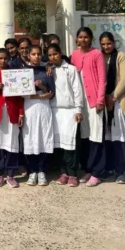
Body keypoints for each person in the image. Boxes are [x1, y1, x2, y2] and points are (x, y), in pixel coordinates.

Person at [70, 27, 107, 187]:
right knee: (84, 136)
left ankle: (97, 172)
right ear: (77, 39)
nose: (83, 40)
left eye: (86, 37)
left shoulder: (97, 54)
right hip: (80, 102)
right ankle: (87, 169)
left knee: (96, 135)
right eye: (80, 37)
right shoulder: (74, 55)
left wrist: (100, 100)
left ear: (91, 38)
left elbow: (102, 78)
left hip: (94, 102)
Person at [0, 48, 24, 188]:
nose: (3, 61)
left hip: (11, 113)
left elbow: (19, 95)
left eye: (5, 58)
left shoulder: (13, 73)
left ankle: (11, 174)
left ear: (9, 59)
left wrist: (20, 113)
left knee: (12, 144)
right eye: (0, 58)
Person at [48, 43, 85, 187]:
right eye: (50, 55)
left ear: (60, 53)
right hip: (55, 111)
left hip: (69, 111)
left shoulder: (70, 69)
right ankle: (63, 172)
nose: (53, 57)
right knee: (59, 145)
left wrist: (78, 110)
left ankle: (73, 173)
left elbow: (77, 90)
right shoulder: (49, 70)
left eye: (55, 54)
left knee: (71, 145)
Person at [99, 32, 125, 184]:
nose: (106, 47)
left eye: (109, 43)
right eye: (103, 44)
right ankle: (108, 168)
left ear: (113, 43)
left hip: (118, 102)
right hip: (102, 102)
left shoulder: (121, 56)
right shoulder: (99, 56)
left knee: (119, 138)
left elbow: (124, 80)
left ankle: (120, 171)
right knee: (106, 138)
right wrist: (103, 97)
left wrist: (112, 97)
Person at [22, 45, 55, 186]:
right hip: (29, 109)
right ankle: (32, 170)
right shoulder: (23, 71)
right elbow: (21, 93)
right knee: (30, 139)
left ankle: (42, 170)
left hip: (43, 109)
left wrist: (42, 88)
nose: (36, 56)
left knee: (43, 137)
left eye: (38, 54)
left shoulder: (47, 71)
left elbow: (51, 93)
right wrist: (39, 95)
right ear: (28, 55)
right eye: (33, 54)